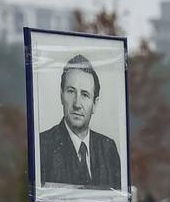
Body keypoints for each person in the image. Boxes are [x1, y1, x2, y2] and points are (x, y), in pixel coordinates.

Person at [38, 54, 123, 190]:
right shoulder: (42, 145)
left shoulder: (108, 148)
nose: (77, 104)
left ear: (95, 104)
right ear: (61, 95)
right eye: (71, 91)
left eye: (85, 95)